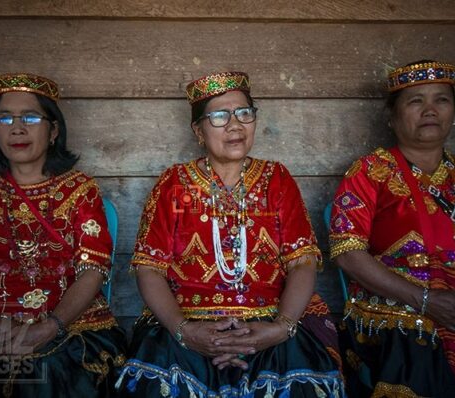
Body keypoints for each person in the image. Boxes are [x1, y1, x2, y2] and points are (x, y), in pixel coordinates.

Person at [117, 72, 345, 397]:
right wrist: (184, 331)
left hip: (269, 321)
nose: (235, 125)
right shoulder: (174, 184)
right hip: (187, 325)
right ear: (198, 130)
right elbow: (149, 268)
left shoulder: (276, 179)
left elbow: (302, 262)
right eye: (220, 116)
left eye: (244, 113)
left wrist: (281, 327)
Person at [329, 60, 455, 397]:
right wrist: (424, 300)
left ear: (454, 112)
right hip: (403, 306)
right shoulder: (371, 171)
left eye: (442, 100)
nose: (430, 110)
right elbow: (348, 253)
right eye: (416, 101)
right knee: (420, 349)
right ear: (392, 118)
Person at [0, 73, 127, 397]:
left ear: (54, 130)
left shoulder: (79, 190)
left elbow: (93, 270)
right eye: (4, 118)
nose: (16, 128)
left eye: (30, 117)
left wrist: (49, 327)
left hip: (65, 325)